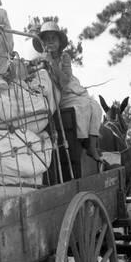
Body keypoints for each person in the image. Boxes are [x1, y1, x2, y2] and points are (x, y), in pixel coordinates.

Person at [33, 21, 103, 161]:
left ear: (59, 42)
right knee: (82, 106)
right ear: (42, 43)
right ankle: (83, 141)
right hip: (60, 96)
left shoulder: (64, 57)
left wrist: (52, 63)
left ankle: (92, 146)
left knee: (95, 106)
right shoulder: (39, 60)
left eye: (54, 38)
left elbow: (65, 81)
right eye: (47, 39)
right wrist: (43, 64)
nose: (50, 42)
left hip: (72, 90)